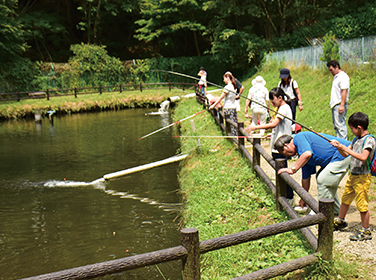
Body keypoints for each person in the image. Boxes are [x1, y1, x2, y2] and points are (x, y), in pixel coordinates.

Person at [275, 132, 351, 215]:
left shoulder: (298, 138)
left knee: (323, 179)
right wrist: (304, 198)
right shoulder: (301, 152)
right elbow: (306, 178)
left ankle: (321, 212)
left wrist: (293, 169)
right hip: (336, 157)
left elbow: (307, 154)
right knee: (323, 177)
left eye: (283, 152)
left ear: (286, 146)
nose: (285, 156)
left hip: (344, 152)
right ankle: (335, 210)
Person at [245, 87, 294, 203]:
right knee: (280, 173)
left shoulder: (284, 108)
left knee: (283, 173)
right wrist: (272, 135)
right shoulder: (281, 108)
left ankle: (289, 198)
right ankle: (284, 196)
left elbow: (274, 124)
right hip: (277, 145)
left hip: (281, 147)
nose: (272, 103)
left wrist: (255, 127)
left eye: (273, 100)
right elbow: (278, 127)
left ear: (280, 98)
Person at [331, 112, 375, 241]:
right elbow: (345, 154)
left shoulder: (369, 140)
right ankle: (340, 221)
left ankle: (366, 231)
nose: (352, 131)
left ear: (359, 127)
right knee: (346, 198)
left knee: (362, 203)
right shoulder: (356, 139)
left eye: (352, 128)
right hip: (353, 175)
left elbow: (363, 157)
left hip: (363, 177)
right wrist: (339, 147)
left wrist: (346, 148)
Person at [327, 60, 350, 140]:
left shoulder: (343, 77)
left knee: (340, 125)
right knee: (336, 126)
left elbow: (344, 91)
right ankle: (339, 142)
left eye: (331, 70)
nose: (331, 72)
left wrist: (342, 105)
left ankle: (344, 143)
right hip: (334, 105)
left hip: (339, 104)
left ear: (336, 67)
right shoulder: (336, 77)